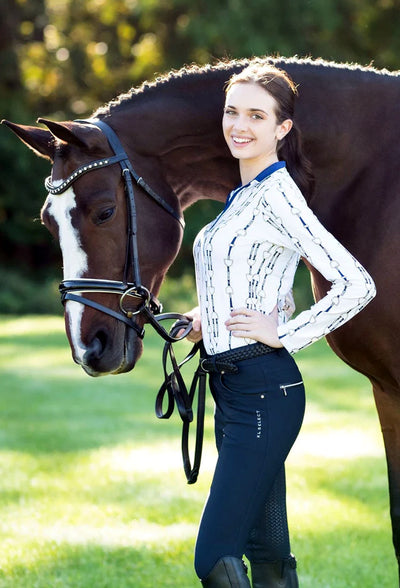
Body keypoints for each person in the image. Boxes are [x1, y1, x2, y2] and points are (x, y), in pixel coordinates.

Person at [184, 61, 376, 587]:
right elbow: (255, 277)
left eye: (256, 115)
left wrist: (285, 334)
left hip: (265, 390)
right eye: (232, 112)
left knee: (215, 556)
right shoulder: (243, 195)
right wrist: (208, 318)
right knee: (267, 551)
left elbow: (356, 283)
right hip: (234, 385)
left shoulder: (278, 194)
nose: (239, 125)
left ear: (282, 128)